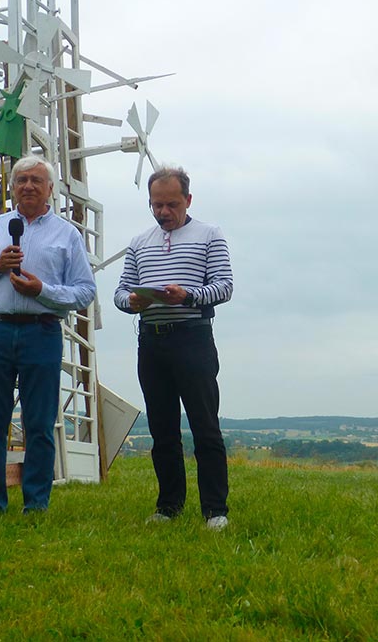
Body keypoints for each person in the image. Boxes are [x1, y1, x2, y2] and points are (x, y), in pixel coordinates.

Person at [0, 154, 96, 516]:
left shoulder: (67, 234)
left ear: (50, 188)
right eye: (22, 180)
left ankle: (36, 504)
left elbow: (85, 291)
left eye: (37, 180)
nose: (29, 186)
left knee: (39, 423)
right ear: (13, 187)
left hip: (42, 331)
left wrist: (43, 291)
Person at [114, 164, 234, 530]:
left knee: (204, 426)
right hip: (151, 340)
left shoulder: (210, 235)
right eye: (157, 205)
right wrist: (132, 302)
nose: (164, 212)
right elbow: (120, 292)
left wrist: (188, 296)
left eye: (171, 204)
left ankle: (215, 510)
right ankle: (169, 506)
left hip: (192, 338)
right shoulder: (139, 242)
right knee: (162, 429)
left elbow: (224, 286)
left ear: (188, 200)